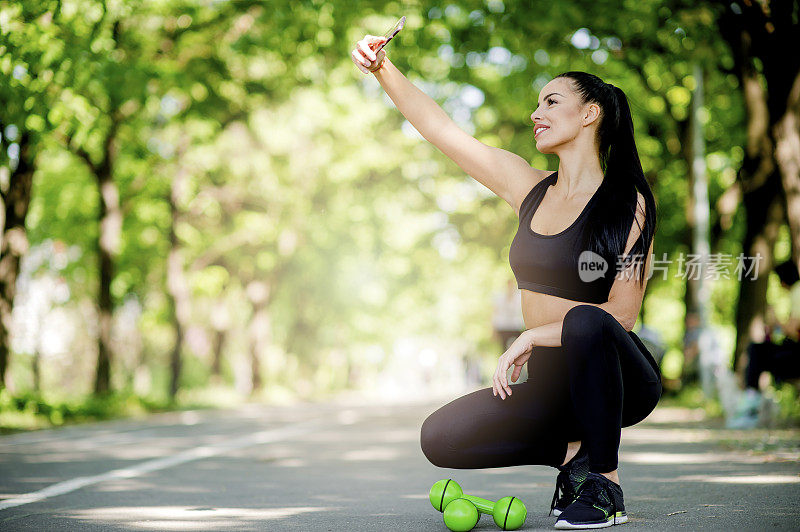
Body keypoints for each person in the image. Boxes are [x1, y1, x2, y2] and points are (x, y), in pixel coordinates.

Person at [352, 37, 661, 530]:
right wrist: (382, 68)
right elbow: (443, 131)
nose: (536, 113)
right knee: (442, 438)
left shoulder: (630, 204)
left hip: (617, 376)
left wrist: (533, 335)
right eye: (537, 103)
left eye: (551, 101)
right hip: (546, 381)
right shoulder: (527, 188)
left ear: (591, 114)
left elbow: (620, 317)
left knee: (585, 319)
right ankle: (573, 456)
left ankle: (606, 483)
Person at [728, 260, 800, 429]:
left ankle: (750, 401)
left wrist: (776, 321)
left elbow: (794, 328)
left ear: (783, 279)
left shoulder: (797, 291)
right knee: (759, 350)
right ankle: (751, 400)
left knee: (757, 350)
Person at [492, 278, 526, 351]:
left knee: (517, 348)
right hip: (503, 327)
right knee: (504, 349)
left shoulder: (519, 296)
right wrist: (494, 330)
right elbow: (495, 313)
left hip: (516, 327)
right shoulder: (500, 297)